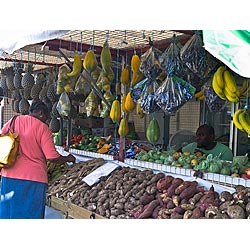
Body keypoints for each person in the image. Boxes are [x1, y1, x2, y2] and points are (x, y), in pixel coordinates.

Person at [0, 100, 76, 219]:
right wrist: (67, 158)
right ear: (41, 113)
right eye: (46, 116)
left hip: (8, 175)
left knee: (9, 212)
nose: (46, 119)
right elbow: (52, 156)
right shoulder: (42, 128)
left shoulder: (14, 120)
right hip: (33, 179)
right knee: (30, 214)